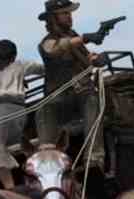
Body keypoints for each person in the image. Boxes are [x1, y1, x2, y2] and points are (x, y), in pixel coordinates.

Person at [36, 0, 108, 170]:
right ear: (53, 18)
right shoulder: (47, 41)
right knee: (43, 111)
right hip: (57, 97)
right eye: (65, 13)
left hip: (82, 93)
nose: (70, 17)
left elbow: (88, 60)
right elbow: (52, 50)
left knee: (92, 102)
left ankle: (93, 160)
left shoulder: (74, 38)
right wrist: (84, 38)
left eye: (70, 13)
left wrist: (97, 59)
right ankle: (47, 165)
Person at [0, 39, 44, 189]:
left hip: (3, 112)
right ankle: (12, 184)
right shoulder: (19, 66)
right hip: (14, 111)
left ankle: (10, 186)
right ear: (12, 56)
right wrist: (21, 78)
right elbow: (42, 69)